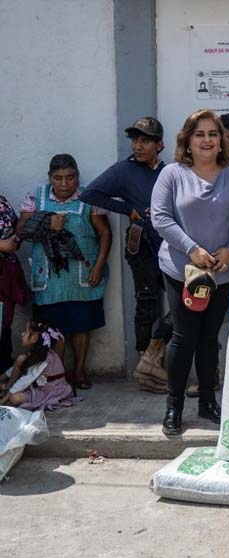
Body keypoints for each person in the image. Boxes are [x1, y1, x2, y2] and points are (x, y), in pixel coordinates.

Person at [151, 109, 229, 436]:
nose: (207, 140)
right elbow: (161, 218)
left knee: (209, 339)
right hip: (182, 271)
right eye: (199, 134)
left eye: (213, 134)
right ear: (187, 140)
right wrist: (192, 249)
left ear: (221, 141)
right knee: (184, 337)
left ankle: (208, 402)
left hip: (220, 274)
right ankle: (174, 405)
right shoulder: (172, 174)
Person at [80, 116, 172, 393]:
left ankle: (152, 356)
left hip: (170, 245)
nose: (138, 146)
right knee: (147, 303)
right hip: (141, 244)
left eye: (145, 141)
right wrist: (127, 209)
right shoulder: (123, 170)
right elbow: (90, 194)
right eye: (135, 140)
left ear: (160, 145)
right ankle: (146, 367)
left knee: (184, 302)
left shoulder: (170, 171)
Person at [17, 154, 112, 390]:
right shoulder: (36, 198)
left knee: (81, 325)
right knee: (52, 328)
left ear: (77, 177)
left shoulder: (89, 197)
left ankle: (79, 371)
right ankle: (57, 374)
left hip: (82, 274)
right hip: (49, 277)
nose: (64, 184)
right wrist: (45, 221)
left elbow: (105, 233)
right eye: (58, 178)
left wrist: (99, 266)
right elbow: (21, 230)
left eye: (70, 178)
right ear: (49, 178)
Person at [0, 320, 75, 410]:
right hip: (37, 386)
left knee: (14, 398)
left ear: (34, 338)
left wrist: (3, 400)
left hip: (49, 391)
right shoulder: (36, 352)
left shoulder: (43, 359)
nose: (22, 334)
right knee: (21, 359)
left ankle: (7, 389)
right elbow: (18, 368)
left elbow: (25, 381)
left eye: (26, 332)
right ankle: (7, 387)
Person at [0, 195, 30, 371]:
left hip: (4, 274)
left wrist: (11, 243)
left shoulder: (2, 202)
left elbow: (15, 239)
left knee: (3, 325)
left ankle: (3, 373)